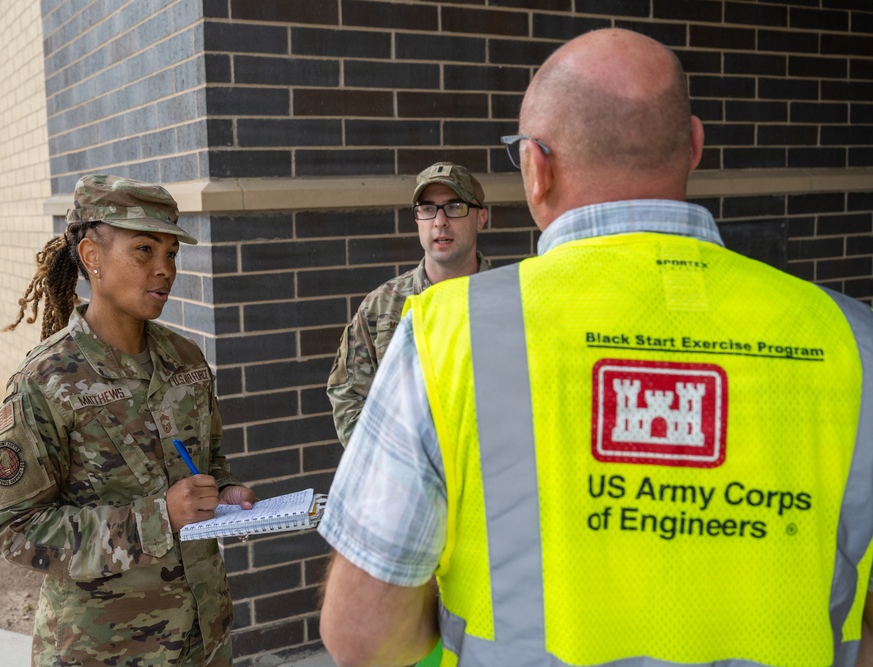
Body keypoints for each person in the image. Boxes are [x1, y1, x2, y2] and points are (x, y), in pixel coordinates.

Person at [318, 28, 873, 667]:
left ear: (535, 165)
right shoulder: (852, 341)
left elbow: (363, 636)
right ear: (693, 146)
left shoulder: (447, 333)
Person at [0, 175, 256, 666]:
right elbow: (13, 527)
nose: (164, 269)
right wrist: (157, 518)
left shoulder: (187, 360)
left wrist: (225, 491)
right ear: (92, 257)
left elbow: (210, 463)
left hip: (203, 638)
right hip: (104, 650)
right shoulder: (43, 381)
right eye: (144, 250)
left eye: (171, 253)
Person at [327, 162, 492, 446]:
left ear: (481, 218)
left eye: (454, 206)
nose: (440, 221)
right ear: (417, 219)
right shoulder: (380, 308)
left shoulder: (512, 301)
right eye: (427, 209)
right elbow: (349, 398)